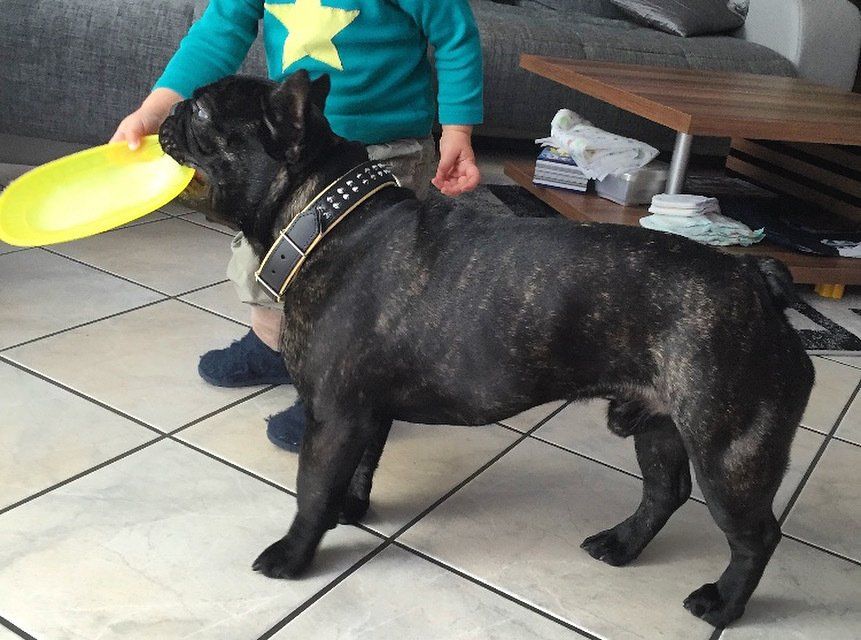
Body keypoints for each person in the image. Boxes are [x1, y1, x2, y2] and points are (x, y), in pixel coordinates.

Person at [112, 0, 484, 451]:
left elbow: (454, 34)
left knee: (356, 287)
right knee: (270, 252)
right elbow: (220, 30)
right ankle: (272, 346)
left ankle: (343, 394)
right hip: (291, 148)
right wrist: (155, 109)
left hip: (387, 148)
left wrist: (457, 130)